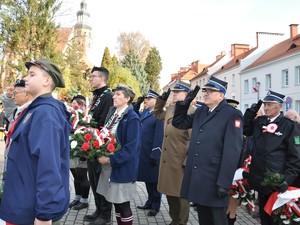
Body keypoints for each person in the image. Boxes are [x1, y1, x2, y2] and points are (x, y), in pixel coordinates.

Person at [0, 58, 72, 224]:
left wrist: (44, 215)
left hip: (29, 209)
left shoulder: (46, 113)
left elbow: (48, 166)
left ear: (47, 80)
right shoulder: (35, 110)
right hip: (20, 202)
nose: (26, 78)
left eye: (32, 74)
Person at [172, 77, 244, 225]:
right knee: (203, 219)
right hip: (199, 177)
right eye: (205, 90)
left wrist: (224, 182)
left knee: (218, 220)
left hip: (215, 178)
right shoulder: (202, 111)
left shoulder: (231, 114)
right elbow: (179, 123)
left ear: (221, 95)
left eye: (211, 91)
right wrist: (184, 105)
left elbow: (232, 151)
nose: (206, 93)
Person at [243, 90, 300, 225]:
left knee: (277, 220)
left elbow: (295, 157)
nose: (266, 108)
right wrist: (252, 111)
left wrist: (286, 180)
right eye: (265, 105)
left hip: (277, 183)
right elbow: (245, 129)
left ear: (279, 106)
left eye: (269, 105)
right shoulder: (259, 122)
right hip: (260, 181)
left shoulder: (290, 126)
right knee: (264, 219)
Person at [97, 84, 141, 225]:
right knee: (115, 201)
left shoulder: (132, 118)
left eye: (118, 94)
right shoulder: (113, 113)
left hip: (121, 167)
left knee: (123, 204)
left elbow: (131, 148)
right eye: (114, 94)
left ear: (127, 98)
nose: (114, 97)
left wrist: (110, 160)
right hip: (109, 166)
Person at [153, 82, 195, 225]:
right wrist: (161, 101)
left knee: (181, 196)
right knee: (169, 192)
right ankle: (174, 220)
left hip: (180, 161)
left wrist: (187, 162)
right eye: (174, 92)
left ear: (186, 95)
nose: (174, 94)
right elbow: (157, 114)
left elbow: (194, 140)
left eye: (178, 92)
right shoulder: (171, 109)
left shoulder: (191, 111)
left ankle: (181, 222)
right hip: (168, 159)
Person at [84, 66, 113, 225]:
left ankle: (105, 214)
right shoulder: (97, 96)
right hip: (91, 146)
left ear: (101, 78)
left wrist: (89, 129)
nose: (91, 79)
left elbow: (104, 123)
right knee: (93, 180)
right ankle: (98, 210)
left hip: (99, 146)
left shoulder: (107, 96)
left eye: (93, 76)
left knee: (101, 181)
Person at [136, 90, 164, 217]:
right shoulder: (146, 112)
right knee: (148, 179)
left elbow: (159, 136)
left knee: (155, 181)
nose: (146, 101)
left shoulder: (159, 114)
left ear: (156, 101)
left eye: (148, 99)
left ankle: (156, 205)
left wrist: (155, 154)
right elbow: (134, 115)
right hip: (144, 152)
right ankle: (149, 201)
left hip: (152, 153)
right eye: (145, 99)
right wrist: (137, 103)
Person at [69, 95, 91, 210]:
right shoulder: (72, 116)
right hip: (72, 150)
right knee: (75, 176)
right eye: (72, 104)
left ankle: (85, 200)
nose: (72, 106)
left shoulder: (86, 118)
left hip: (81, 151)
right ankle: (77, 198)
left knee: (82, 176)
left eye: (74, 104)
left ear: (82, 104)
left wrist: (84, 152)